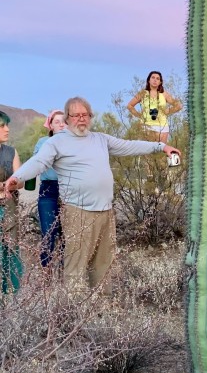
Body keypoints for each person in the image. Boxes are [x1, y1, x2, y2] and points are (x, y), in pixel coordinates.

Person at [4, 97, 181, 296]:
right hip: (77, 212)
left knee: (103, 264)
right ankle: (73, 312)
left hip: (106, 212)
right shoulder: (57, 142)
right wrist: (16, 178)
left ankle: (101, 309)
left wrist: (162, 147)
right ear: (68, 118)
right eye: (75, 115)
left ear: (90, 117)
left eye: (85, 114)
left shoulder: (101, 139)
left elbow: (130, 145)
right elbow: (38, 162)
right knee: (76, 264)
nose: (81, 119)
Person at [33, 110, 65, 267]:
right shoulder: (43, 142)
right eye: (56, 121)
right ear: (50, 125)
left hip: (70, 190)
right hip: (49, 189)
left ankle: (67, 277)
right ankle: (46, 277)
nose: (60, 124)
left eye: (63, 121)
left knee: (69, 235)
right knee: (48, 234)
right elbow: (36, 164)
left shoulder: (75, 143)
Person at [0, 111, 23, 293]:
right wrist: (5, 185)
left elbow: (21, 180)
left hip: (9, 208)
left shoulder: (11, 152)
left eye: (7, 125)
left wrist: (9, 185)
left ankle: (12, 297)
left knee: (11, 251)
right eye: (2, 126)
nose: (7, 129)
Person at [127, 70, 182, 144]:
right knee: (147, 152)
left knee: (161, 152)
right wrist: (139, 116)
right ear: (149, 80)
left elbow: (178, 106)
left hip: (162, 126)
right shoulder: (142, 93)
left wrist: (167, 111)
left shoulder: (164, 94)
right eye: (153, 78)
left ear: (160, 82)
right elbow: (130, 106)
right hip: (146, 126)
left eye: (157, 78)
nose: (155, 80)